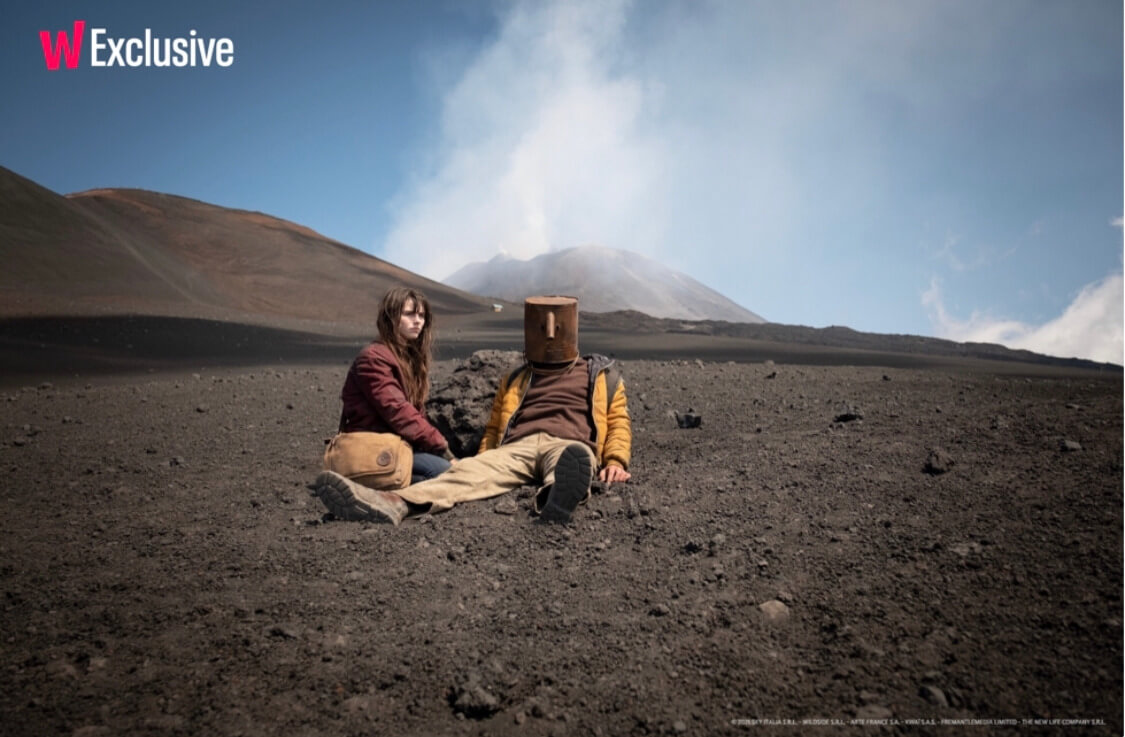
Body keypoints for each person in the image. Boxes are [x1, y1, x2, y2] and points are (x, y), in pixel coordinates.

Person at [313, 295, 631, 526]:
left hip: (570, 443)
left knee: (571, 462)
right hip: (517, 447)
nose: (549, 334)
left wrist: (615, 459)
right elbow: (494, 429)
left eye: (555, 327)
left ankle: (556, 497)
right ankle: (396, 503)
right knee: (464, 474)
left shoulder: (599, 373)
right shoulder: (517, 377)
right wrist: (483, 458)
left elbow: (618, 422)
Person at [332, 286, 455, 485]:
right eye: (409, 314)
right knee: (442, 473)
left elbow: (414, 414)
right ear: (390, 317)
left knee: (447, 472)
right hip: (373, 449)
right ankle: (378, 497)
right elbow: (398, 411)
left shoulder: (408, 359)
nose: (418, 321)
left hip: (397, 445)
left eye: (422, 316)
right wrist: (442, 448)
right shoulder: (373, 358)